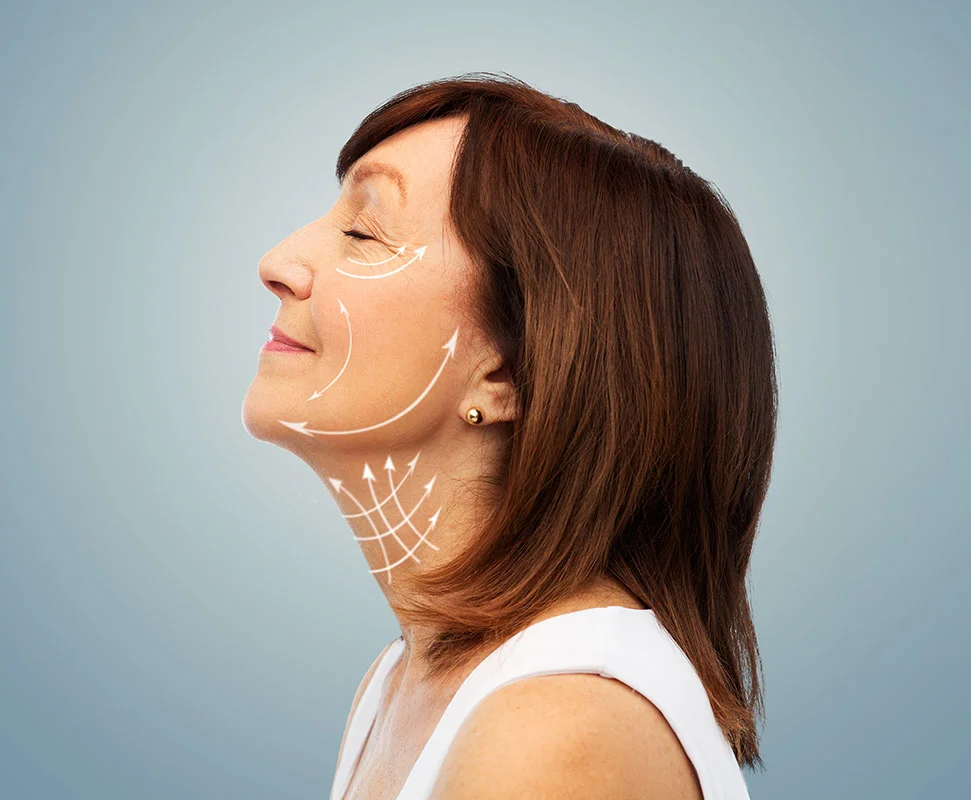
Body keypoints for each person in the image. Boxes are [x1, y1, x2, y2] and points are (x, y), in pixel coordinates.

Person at [242, 72, 776, 799]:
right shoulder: (402, 683)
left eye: (363, 232)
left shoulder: (553, 729)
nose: (278, 263)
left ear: (510, 372)